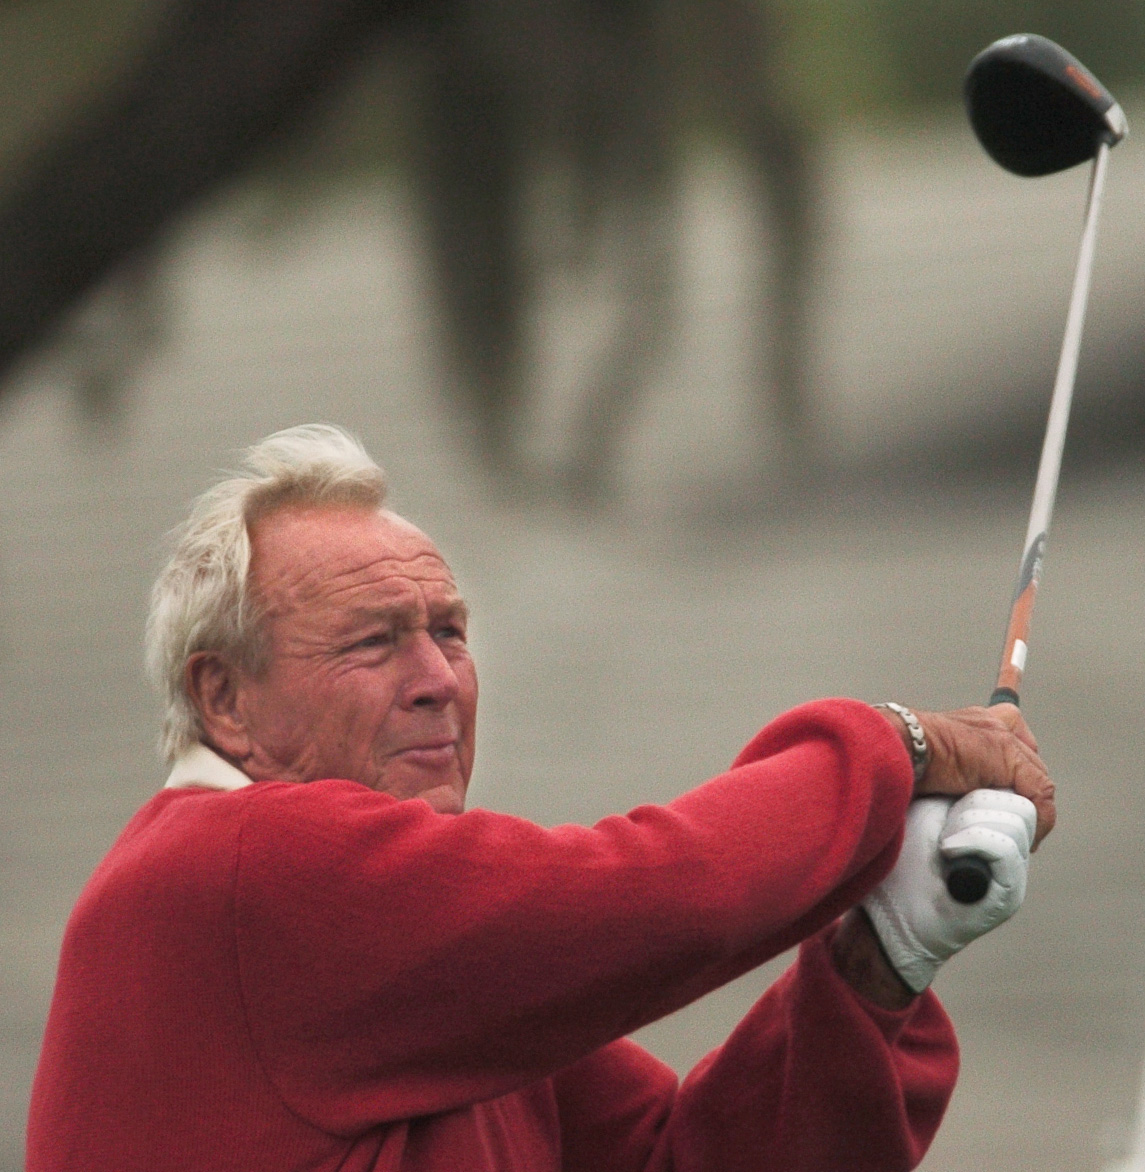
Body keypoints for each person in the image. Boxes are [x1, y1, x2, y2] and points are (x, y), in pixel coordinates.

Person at [26, 424, 1055, 1172]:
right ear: (223, 697)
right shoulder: (229, 866)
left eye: (451, 630)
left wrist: (879, 959)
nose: (438, 677)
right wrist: (898, 747)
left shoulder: (418, 979)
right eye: (373, 639)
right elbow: (657, 894)